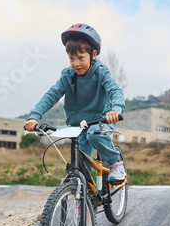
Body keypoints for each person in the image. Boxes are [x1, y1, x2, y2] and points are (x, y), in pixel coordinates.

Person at [24, 23, 126, 180]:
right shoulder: (67, 76)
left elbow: (115, 91)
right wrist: (34, 116)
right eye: (71, 58)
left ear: (93, 54)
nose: (76, 63)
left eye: (81, 57)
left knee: (94, 135)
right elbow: (51, 95)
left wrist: (116, 109)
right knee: (79, 166)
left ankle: (115, 163)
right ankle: (82, 194)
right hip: (78, 125)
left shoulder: (101, 72)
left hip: (101, 119)